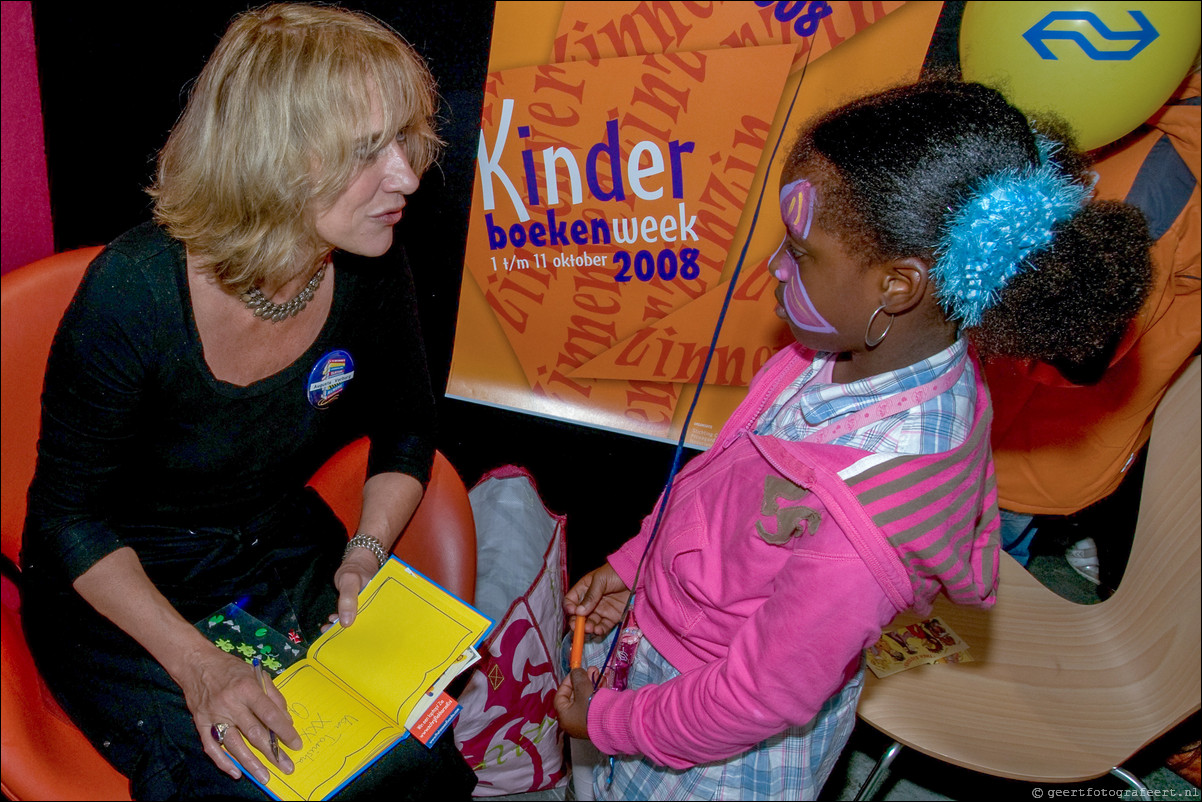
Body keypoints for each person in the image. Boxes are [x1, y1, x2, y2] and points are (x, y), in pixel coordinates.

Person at [553, 79, 1152, 800]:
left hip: (712, 755)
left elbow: (755, 698)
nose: (775, 266)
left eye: (801, 253)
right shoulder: (857, 352)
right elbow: (727, 483)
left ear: (897, 286)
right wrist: (637, 563)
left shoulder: (859, 523)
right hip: (680, 653)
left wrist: (612, 721)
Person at [19, 5, 476, 800]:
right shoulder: (133, 297)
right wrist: (198, 666)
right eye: (369, 150)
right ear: (275, 156)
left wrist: (364, 555)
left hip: (272, 552)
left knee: (410, 764)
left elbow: (407, 430)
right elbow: (65, 522)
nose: (406, 174)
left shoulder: (368, 263)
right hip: (126, 594)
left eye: (405, 139)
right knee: (252, 787)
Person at [989, 68, 1200, 591]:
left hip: (1018, 450)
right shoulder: (1142, 111)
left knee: (963, 581)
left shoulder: (1158, 166)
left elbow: (1073, 349)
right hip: (1028, 448)